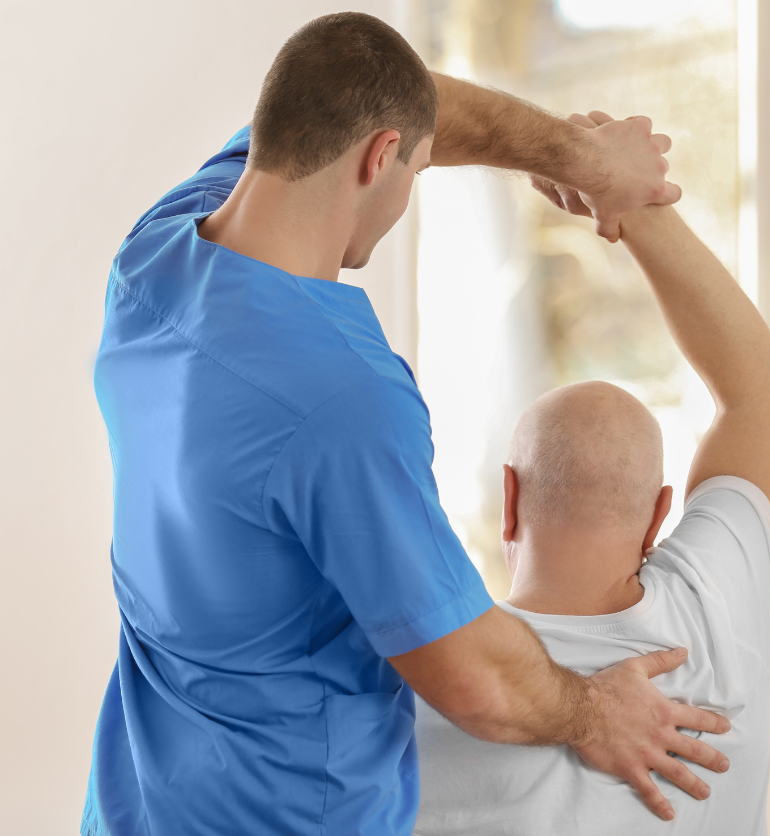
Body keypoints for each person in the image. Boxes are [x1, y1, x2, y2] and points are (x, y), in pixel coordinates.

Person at [81, 14, 732, 836]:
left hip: (135, 810)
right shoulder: (340, 397)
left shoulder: (155, 262)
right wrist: (594, 712)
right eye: (416, 168)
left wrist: (579, 159)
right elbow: (473, 678)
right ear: (380, 157)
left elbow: (409, 102)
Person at [413, 111, 770, 835]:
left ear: (510, 500)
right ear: (658, 515)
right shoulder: (719, 621)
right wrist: (625, 200)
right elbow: (759, 393)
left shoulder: (430, 677)